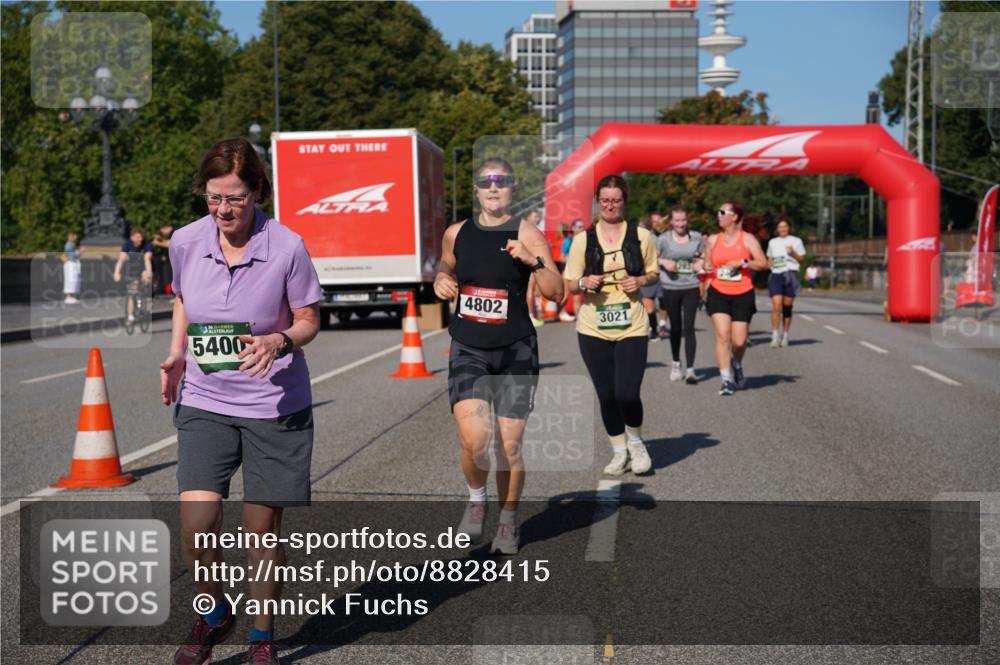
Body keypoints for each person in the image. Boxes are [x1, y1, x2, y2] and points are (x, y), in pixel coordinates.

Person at [160, 138, 322, 665]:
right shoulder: (185, 241)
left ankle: (261, 635)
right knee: (196, 524)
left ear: (256, 191)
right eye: (213, 198)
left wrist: (281, 340)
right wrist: (177, 354)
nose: (224, 210)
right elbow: (184, 297)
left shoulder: (287, 246)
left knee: (261, 530)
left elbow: (309, 319)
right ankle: (214, 614)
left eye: (235, 198)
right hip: (206, 397)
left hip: (274, 404)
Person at [434, 157, 562, 555]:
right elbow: (447, 264)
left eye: (501, 182)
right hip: (468, 347)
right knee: (475, 440)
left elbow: (555, 292)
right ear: (475, 188)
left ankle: (507, 520)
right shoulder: (456, 232)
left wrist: (532, 259)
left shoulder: (529, 234)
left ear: (512, 189)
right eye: (486, 182)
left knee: (509, 446)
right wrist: (442, 277)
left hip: (515, 350)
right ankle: (476, 500)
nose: (493, 188)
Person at [563, 175, 659, 475]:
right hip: (593, 326)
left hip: (632, 323)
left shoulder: (642, 236)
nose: (610, 205)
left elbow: (654, 274)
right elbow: (569, 282)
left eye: (616, 200)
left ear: (624, 201)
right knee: (606, 394)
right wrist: (583, 281)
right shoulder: (582, 240)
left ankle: (636, 442)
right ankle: (619, 451)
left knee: (627, 393)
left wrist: (640, 280)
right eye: (605, 200)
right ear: (598, 201)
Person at [703, 201, 768, 396]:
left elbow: (763, 263)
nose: (719, 215)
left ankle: (736, 363)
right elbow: (707, 264)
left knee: (739, 341)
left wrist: (743, 261)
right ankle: (726, 380)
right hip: (718, 291)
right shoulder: (713, 240)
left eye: (723, 212)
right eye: (718, 211)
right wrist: (706, 268)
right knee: (723, 336)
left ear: (735, 217)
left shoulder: (747, 239)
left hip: (743, 292)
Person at [656, 207, 704, 384]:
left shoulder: (697, 237)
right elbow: (649, 258)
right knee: (675, 327)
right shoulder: (663, 239)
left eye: (683, 220)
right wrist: (663, 261)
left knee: (689, 327)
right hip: (670, 287)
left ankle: (691, 370)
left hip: (691, 286)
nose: (680, 224)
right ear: (671, 222)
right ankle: (676, 364)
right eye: (677, 220)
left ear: (687, 220)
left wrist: (701, 263)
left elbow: (706, 256)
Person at [766, 217, 806, 347]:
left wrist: (793, 253)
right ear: (777, 229)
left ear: (789, 228)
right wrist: (769, 266)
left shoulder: (796, 241)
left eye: (784, 226)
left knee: (787, 307)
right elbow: (769, 259)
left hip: (791, 274)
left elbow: (801, 259)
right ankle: (774, 336)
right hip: (776, 275)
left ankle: (786, 335)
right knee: (776, 306)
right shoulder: (772, 242)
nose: (782, 229)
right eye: (780, 227)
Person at [113, 228, 154, 324]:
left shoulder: (147, 244)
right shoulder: (127, 244)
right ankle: (131, 315)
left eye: (141, 237)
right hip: (134, 269)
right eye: (137, 237)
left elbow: (147, 259)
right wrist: (117, 273)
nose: (140, 239)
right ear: (132, 237)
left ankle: (147, 306)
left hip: (145, 267)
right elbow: (121, 259)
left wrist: (148, 273)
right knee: (132, 292)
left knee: (147, 286)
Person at [637, 215, 662, 341]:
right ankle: (651, 329)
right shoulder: (638, 238)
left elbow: (658, 253)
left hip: (649, 274)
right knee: (645, 305)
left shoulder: (652, 238)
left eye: (640, 227)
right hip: (640, 275)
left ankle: (654, 329)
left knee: (649, 305)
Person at [559, 219, 586, 322]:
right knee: (571, 296)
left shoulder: (587, 240)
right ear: (573, 228)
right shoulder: (569, 241)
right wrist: (573, 261)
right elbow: (561, 257)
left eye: (583, 227)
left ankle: (583, 320)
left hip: (584, 272)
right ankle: (564, 313)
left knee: (583, 297)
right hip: (570, 272)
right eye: (579, 227)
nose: (582, 229)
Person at [153, 223, 174, 298]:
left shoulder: (174, 232)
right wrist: (161, 240)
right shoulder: (174, 232)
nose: (162, 233)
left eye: (162, 231)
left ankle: (175, 295)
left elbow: (170, 244)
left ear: (165, 228)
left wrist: (157, 243)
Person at [62, 231, 82, 304]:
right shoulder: (69, 245)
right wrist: (80, 251)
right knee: (70, 280)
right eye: (74, 235)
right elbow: (71, 255)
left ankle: (70, 296)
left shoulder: (71, 244)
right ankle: (68, 297)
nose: (76, 237)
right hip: (70, 264)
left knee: (73, 280)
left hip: (72, 264)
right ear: (71, 236)